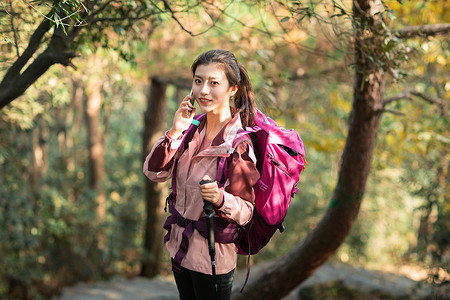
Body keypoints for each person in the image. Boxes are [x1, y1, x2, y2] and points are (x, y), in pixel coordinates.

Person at [143, 49, 260, 300]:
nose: (203, 91)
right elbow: (154, 172)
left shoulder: (238, 145)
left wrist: (219, 198)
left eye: (213, 83)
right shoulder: (190, 132)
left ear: (232, 89)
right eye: (198, 81)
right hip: (180, 249)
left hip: (212, 258)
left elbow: (246, 211)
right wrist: (175, 131)